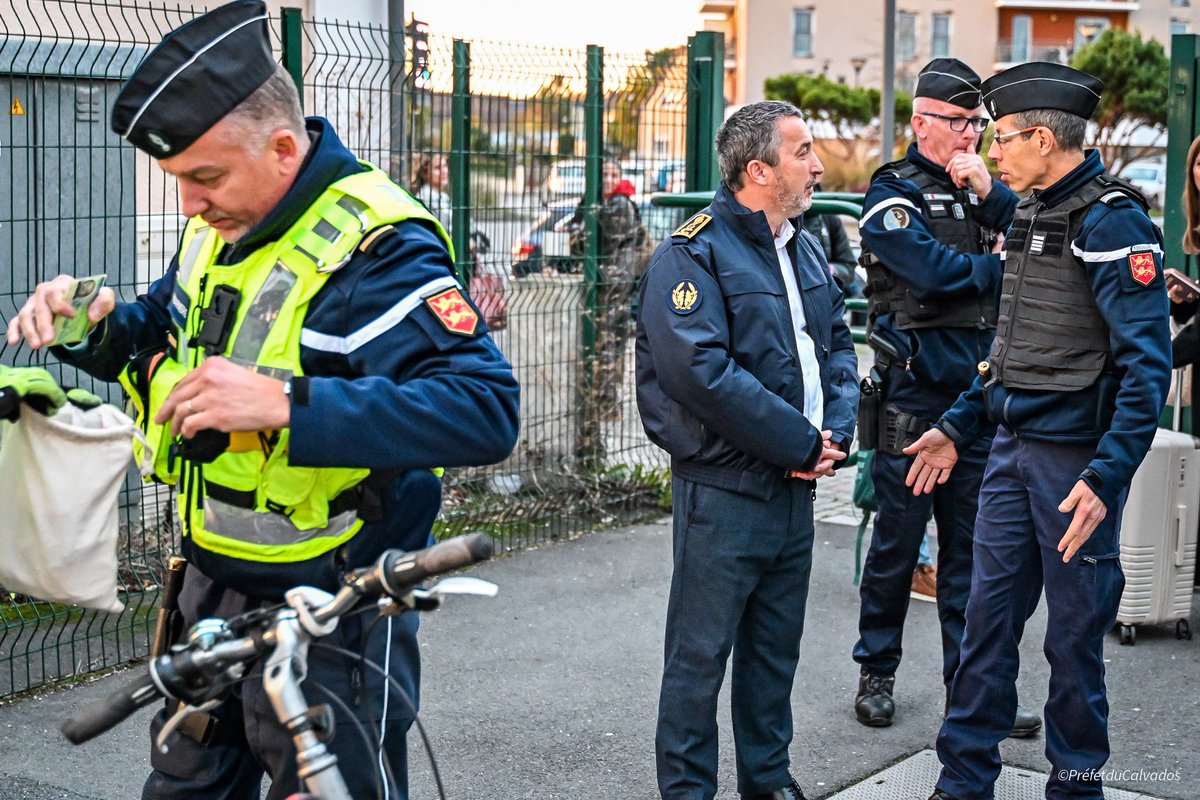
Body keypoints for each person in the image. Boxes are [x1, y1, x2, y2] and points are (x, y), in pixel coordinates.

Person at [4, 3, 520, 799]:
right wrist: (92, 327)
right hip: (209, 588)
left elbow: (484, 409)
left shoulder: (378, 248)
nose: (189, 204)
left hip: (334, 614)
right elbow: (165, 330)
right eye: (179, 181)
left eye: (205, 179)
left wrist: (284, 403)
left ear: (282, 148)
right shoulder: (220, 223)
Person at [905, 62, 1171, 800]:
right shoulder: (1028, 211)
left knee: (1073, 642)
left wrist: (1106, 477)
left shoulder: (1113, 222)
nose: (988, 150)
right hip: (1009, 455)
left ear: (1044, 141)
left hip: (1075, 470)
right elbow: (1008, 352)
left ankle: (1076, 789)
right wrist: (958, 425)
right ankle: (962, 783)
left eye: (1001, 137)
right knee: (985, 627)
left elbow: (1147, 370)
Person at [636, 100, 859, 800]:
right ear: (758, 170)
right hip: (725, 493)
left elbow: (837, 345)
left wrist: (836, 431)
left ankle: (769, 784)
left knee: (773, 656)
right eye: (803, 152)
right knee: (698, 660)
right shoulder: (691, 254)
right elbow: (700, 373)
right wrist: (798, 441)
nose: (817, 165)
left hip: (796, 488)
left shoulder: (805, 245)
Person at [851, 58, 1041, 737]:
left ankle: (973, 689)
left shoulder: (985, 189)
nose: (969, 135)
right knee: (897, 549)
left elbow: (1040, 250)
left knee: (974, 557)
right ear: (920, 122)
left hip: (977, 405)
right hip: (912, 400)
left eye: (976, 124)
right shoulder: (891, 191)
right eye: (957, 122)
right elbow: (931, 274)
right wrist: (998, 268)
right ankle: (876, 671)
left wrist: (993, 197)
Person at [572, 157, 644, 421]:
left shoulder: (620, 204)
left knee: (608, 347)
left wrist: (578, 233)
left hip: (613, 286)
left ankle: (605, 405)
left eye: (614, 175)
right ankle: (599, 404)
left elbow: (594, 241)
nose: (609, 180)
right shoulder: (594, 203)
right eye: (604, 175)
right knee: (603, 345)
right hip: (605, 283)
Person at [411, 152, 507, 330]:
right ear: (425, 173)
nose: (444, 171)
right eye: (438, 168)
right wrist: (465, 240)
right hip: (447, 266)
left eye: (445, 166)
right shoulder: (427, 198)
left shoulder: (442, 198)